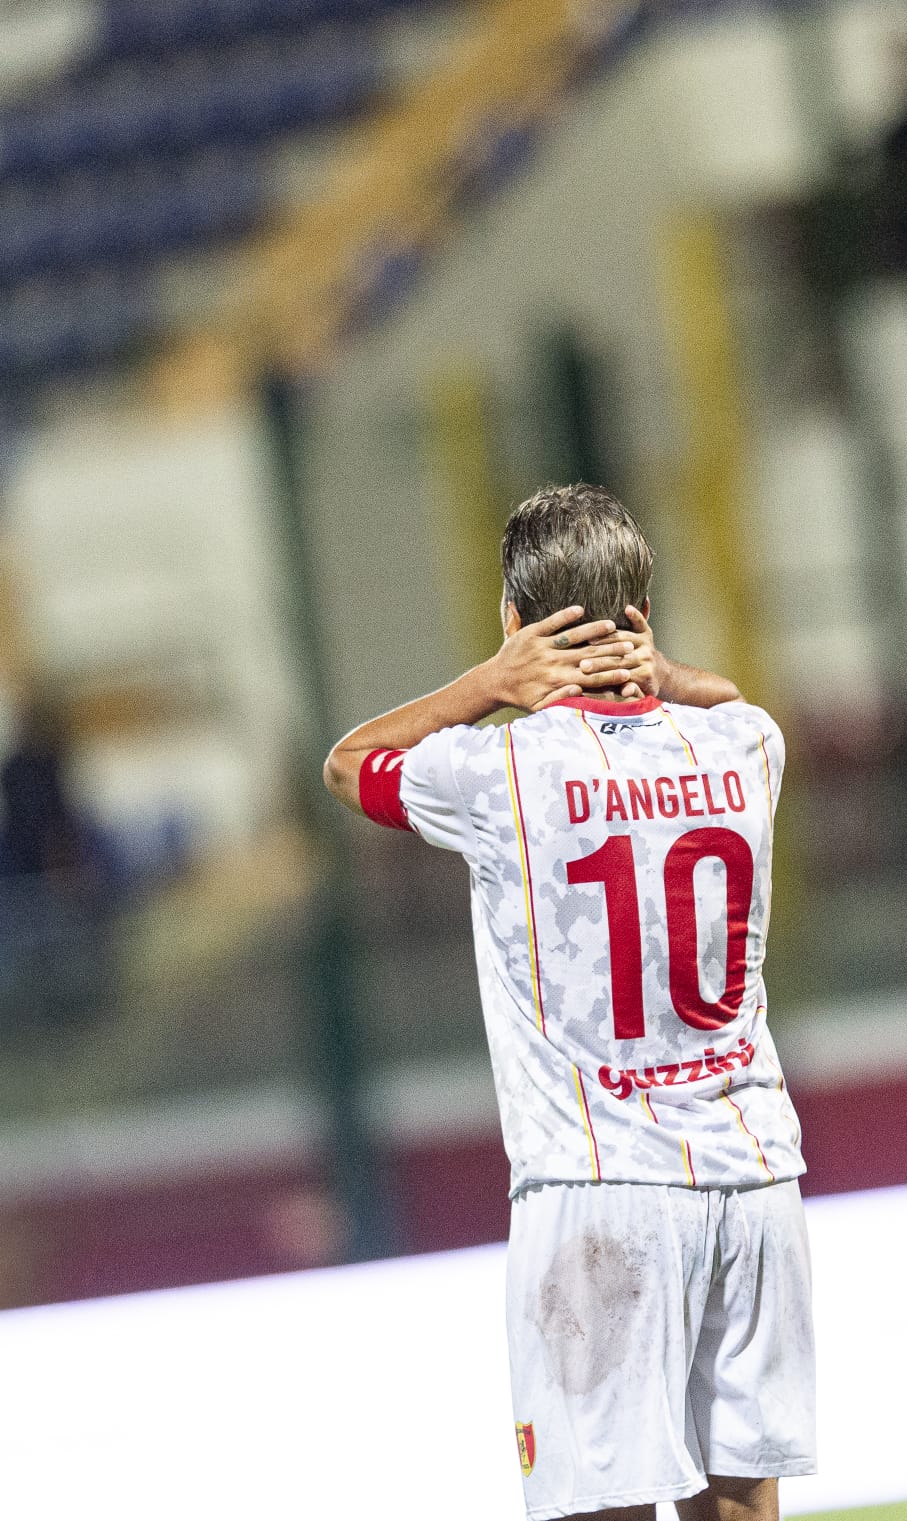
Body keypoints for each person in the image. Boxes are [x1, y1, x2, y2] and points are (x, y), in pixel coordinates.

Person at [324, 484, 815, 1521]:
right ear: (642, 614)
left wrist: (485, 682)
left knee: (601, 1504)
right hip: (753, 1177)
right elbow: (726, 698)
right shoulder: (744, 748)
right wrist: (662, 673)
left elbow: (348, 764)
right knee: (742, 1500)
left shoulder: (497, 771)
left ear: (516, 620)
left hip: (598, 1189)